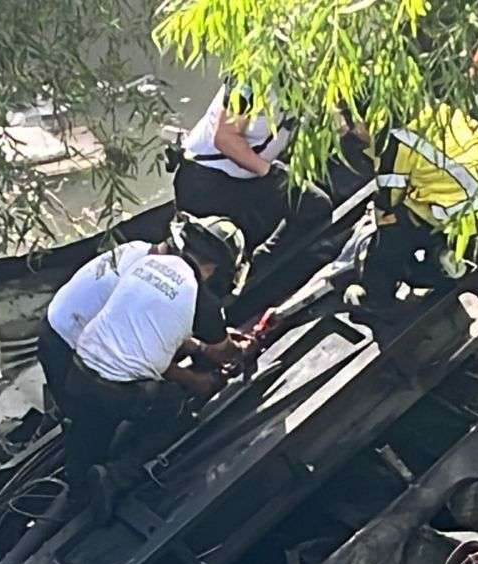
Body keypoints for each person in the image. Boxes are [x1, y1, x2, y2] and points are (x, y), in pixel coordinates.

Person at [62, 214, 250, 517]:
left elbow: (152, 328)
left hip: (78, 370)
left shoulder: (146, 265)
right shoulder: (203, 300)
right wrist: (233, 352)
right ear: (216, 268)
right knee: (178, 411)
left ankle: (77, 490)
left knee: (89, 425)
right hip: (119, 391)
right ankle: (116, 476)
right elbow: (223, 354)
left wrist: (200, 346)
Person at [356, 103, 478, 306]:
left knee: (395, 229)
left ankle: (377, 295)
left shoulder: (393, 144)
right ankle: (447, 258)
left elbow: (389, 205)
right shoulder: (434, 109)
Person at [173, 81, 333, 285]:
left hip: (252, 177)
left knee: (314, 206)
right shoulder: (248, 81)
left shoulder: (310, 77)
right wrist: (270, 172)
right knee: (212, 255)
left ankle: (258, 272)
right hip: (208, 180)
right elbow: (225, 138)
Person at [37, 239, 152, 412]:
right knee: (93, 414)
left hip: (52, 324)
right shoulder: (144, 280)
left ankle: (59, 415)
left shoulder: (138, 247)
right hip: (66, 344)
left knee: (69, 403)